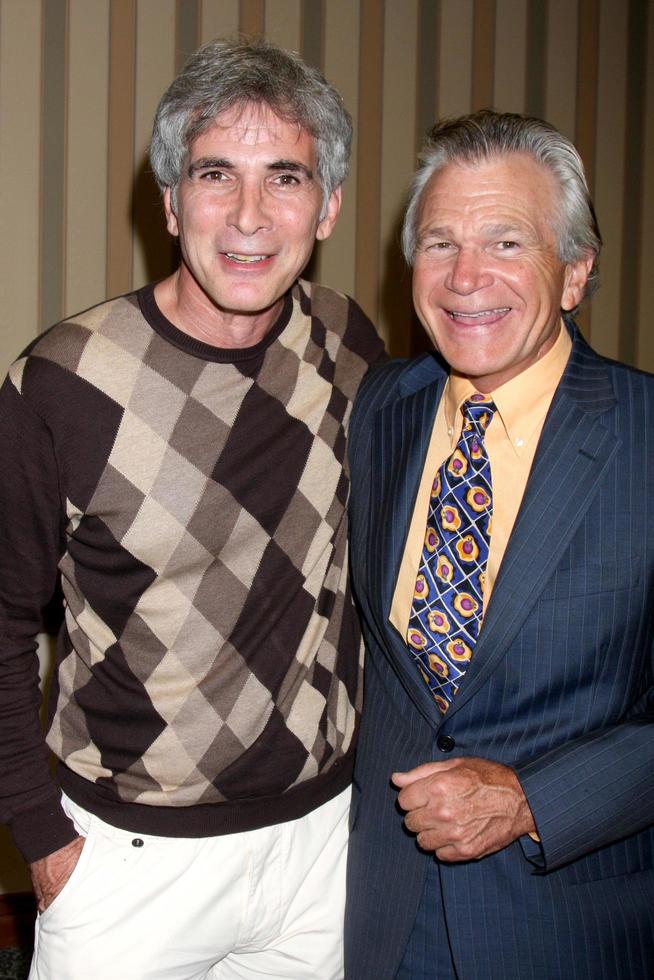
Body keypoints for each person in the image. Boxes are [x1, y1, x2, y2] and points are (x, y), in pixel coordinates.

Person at [0, 38, 384, 980]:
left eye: (285, 177)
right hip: (131, 865)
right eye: (217, 174)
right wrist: (43, 841)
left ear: (327, 205)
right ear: (171, 201)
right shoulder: (61, 384)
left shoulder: (350, 343)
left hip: (322, 848)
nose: (249, 217)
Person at [344, 109, 654, 979]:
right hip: (382, 914)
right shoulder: (381, 408)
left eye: (507, 242)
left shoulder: (645, 437)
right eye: (439, 243)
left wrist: (530, 800)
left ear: (575, 273)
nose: (466, 276)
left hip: (574, 923)